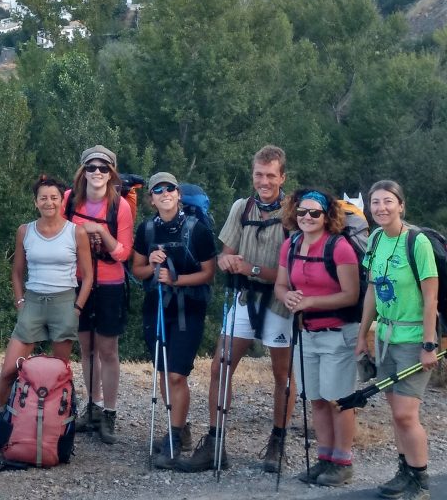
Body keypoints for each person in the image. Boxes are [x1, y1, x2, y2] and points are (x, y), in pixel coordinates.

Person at [178, 145, 294, 473]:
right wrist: (227, 262)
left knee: (282, 375)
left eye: (270, 175)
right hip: (244, 298)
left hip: (279, 302)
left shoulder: (293, 213)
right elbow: (225, 255)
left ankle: (278, 443)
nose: (264, 181)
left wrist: (250, 268)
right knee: (220, 367)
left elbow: (293, 271)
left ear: (282, 177)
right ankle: (215, 443)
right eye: (259, 174)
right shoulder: (242, 208)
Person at [0, 175, 93, 445]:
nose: (49, 202)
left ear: (62, 201)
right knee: (9, 370)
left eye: (54, 197)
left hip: (64, 302)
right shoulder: (25, 231)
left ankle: (58, 427)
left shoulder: (76, 232)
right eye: (43, 198)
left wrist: (77, 308)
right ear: (36, 202)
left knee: (59, 372)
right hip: (33, 301)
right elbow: (17, 271)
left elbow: (88, 275)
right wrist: (20, 301)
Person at [353, 180, 438, 500]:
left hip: (414, 338)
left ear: (401, 205)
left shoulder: (417, 242)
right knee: (396, 410)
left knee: (405, 413)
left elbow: (431, 298)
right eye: (375, 202)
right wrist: (363, 335)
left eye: (388, 201)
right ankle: (405, 471)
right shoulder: (375, 238)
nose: (381, 208)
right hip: (386, 336)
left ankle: (420, 480)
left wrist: (428, 344)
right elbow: (372, 291)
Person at [274, 188, 359, 486]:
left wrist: (311, 302)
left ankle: (342, 461)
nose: (307, 217)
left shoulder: (339, 247)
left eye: (314, 212)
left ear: (326, 216)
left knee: (339, 400)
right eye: (302, 212)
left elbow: (350, 295)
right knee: (317, 398)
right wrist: (287, 297)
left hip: (338, 333)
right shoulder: (291, 244)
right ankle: (325, 458)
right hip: (306, 333)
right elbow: (280, 285)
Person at [131, 172, 216, 468]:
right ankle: (176, 428)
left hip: (188, 309)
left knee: (177, 374)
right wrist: (151, 266)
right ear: (151, 199)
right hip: (156, 308)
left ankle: (175, 437)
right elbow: (137, 270)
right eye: (158, 190)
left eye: (170, 188)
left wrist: (176, 280)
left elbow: (209, 273)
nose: (165, 193)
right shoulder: (146, 230)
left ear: (178, 194)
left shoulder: (197, 230)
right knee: (165, 371)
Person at [65, 145, 134, 444]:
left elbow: (123, 253)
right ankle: (92, 407)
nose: (97, 172)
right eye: (91, 167)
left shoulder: (120, 206)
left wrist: (101, 232)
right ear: (83, 171)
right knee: (86, 347)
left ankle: (109, 413)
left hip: (109, 284)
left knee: (107, 350)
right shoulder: (69, 199)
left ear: (111, 173)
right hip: (78, 281)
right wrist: (83, 236)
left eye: (103, 168)